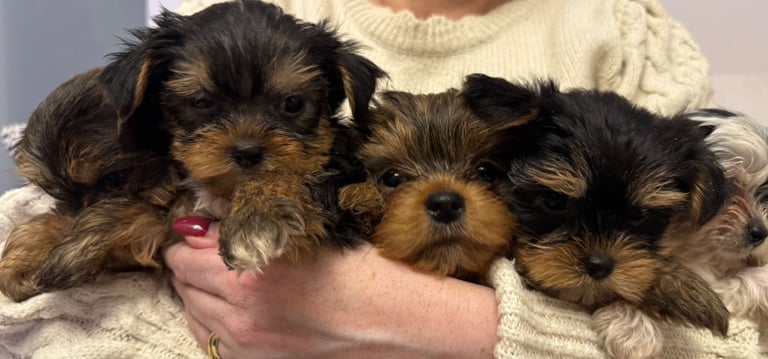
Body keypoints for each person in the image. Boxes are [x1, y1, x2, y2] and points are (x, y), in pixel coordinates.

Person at [0, 0, 761, 358]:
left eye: (295, 107)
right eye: (390, 174)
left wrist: (452, 327)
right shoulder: (232, 22)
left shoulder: (631, 38)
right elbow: (41, 292)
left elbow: (735, 330)